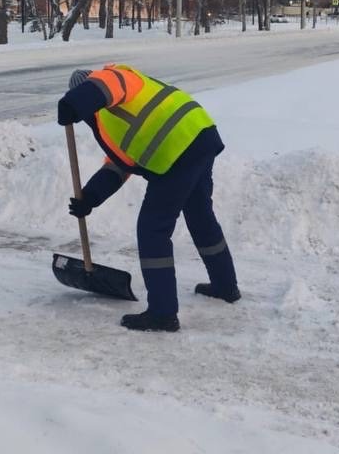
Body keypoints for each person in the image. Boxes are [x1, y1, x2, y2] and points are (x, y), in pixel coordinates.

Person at [57, 64, 240, 332]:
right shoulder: (109, 118)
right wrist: (90, 198)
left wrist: (75, 101)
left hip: (177, 151)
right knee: (201, 216)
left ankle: (162, 313)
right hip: (200, 137)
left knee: (152, 229)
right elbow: (118, 166)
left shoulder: (115, 78)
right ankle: (226, 286)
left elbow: (107, 85)